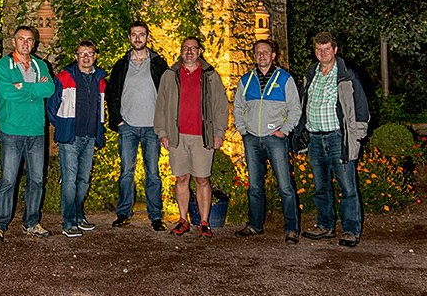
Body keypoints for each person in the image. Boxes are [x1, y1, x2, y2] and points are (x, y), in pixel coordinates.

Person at [295, 31, 370, 248]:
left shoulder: (347, 76)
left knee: (347, 186)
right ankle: (325, 225)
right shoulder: (311, 73)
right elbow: (304, 103)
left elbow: (361, 107)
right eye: (319, 49)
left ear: (335, 50)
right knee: (321, 186)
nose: (323, 52)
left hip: (338, 137)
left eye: (327, 48)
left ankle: (350, 230)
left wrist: (356, 136)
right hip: (315, 138)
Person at [154, 36, 229, 238]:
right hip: (177, 136)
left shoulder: (210, 75)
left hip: (202, 136)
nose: (189, 51)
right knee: (181, 178)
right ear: (181, 51)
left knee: (202, 179)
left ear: (199, 51)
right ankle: (183, 220)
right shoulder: (170, 75)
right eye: (186, 48)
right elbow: (160, 106)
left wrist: (218, 133)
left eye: (193, 48)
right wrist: (162, 133)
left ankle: (204, 222)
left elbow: (222, 107)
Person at [0, 26, 55, 242]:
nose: (26, 43)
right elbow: (6, 92)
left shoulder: (41, 65)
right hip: (12, 131)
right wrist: (34, 87)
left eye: (29, 39)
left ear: (34, 43)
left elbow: (50, 89)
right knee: (8, 180)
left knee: (36, 180)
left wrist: (22, 87)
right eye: (22, 39)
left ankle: (32, 223)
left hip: (36, 131)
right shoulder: (3, 65)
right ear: (14, 41)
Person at [233, 39, 301, 242]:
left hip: (276, 139)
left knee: (285, 186)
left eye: (265, 52)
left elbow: (295, 108)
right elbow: (238, 107)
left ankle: (292, 228)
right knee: (254, 186)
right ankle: (254, 225)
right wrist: (243, 130)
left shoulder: (285, 79)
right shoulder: (246, 80)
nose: (261, 56)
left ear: (273, 55)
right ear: (254, 56)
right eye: (258, 53)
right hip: (252, 139)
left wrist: (285, 130)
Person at [106, 20, 168, 231]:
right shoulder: (121, 64)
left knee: (153, 173)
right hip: (128, 127)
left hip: (152, 127)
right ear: (130, 37)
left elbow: (168, 95)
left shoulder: (159, 64)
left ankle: (156, 216)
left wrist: (164, 124)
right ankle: (123, 213)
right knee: (126, 173)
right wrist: (118, 121)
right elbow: (111, 94)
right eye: (134, 34)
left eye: (141, 34)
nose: (138, 38)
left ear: (147, 37)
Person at [47, 39, 107, 237]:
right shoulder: (65, 77)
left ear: (95, 56)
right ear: (76, 57)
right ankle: (69, 222)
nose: (86, 57)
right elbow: (51, 107)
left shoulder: (100, 79)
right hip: (71, 138)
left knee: (83, 181)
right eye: (82, 54)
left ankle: (79, 214)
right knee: (70, 180)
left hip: (90, 136)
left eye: (89, 53)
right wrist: (63, 125)